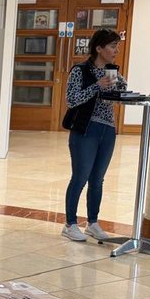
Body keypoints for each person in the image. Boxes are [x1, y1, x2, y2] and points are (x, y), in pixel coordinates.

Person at [61, 29, 125, 242]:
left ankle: (93, 222)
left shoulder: (112, 72)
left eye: (117, 46)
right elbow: (71, 100)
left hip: (108, 130)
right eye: (112, 46)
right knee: (80, 177)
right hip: (85, 130)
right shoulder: (80, 70)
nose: (116, 50)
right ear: (99, 48)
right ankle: (70, 224)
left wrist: (120, 90)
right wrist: (96, 86)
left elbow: (115, 101)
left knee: (98, 179)